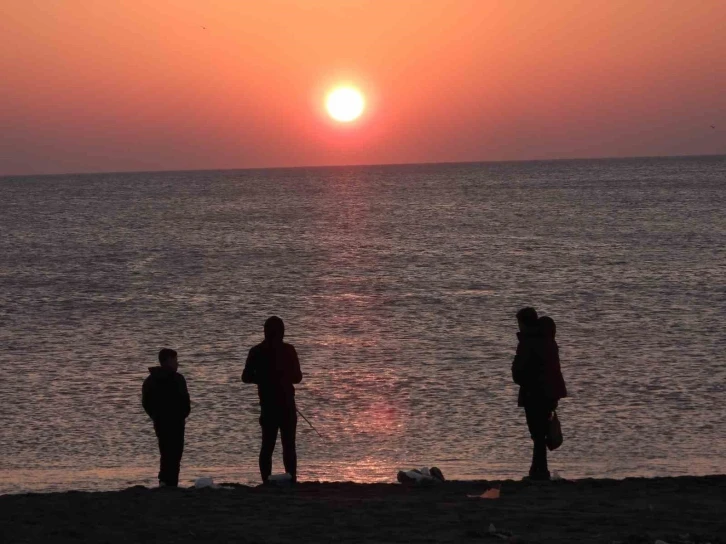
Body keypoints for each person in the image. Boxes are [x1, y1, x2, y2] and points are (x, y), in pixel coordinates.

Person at [242, 316, 303, 483]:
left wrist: (262, 378)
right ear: (282, 332)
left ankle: (266, 480)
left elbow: (246, 377)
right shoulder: (289, 350)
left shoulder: (256, 351)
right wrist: (282, 378)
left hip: (268, 405)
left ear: (265, 331)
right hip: (287, 405)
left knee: (267, 445)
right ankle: (291, 479)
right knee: (288, 445)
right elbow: (297, 377)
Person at [511, 309, 567, 480]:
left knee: (537, 434)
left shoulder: (529, 342)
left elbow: (519, 372)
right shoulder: (549, 340)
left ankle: (539, 472)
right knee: (541, 433)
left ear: (524, 323)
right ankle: (538, 470)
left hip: (534, 393)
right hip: (550, 393)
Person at [142, 348, 191, 487]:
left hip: (162, 420)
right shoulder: (177, 379)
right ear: (168, 361)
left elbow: (146, 402)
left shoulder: (151, 380)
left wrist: (155, 416)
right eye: (175, 360)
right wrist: (182, 414)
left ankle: (165, 481)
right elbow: (185, 400)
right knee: (174, 452)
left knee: (166, 451)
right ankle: (170, 481)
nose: (177, 363)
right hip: (173, 421)